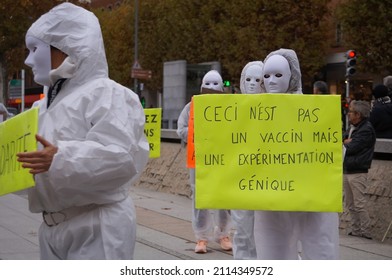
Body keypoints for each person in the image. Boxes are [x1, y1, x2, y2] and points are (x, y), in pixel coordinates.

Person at [16, 3, 149, 260]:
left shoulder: (108, 95)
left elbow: (119, 157)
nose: (28, 60)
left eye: (35, 49)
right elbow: (30, 170)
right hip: (52, 227)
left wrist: (59, 158)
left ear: (68, 48)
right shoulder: (40, 107)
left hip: (96, 225)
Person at [253, 48, 339, 260]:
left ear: (292, 75)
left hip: (311, 196)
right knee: (272, 251)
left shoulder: (314, 113)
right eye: (266, 75)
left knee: (319, 247)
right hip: (270, 197)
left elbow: (333, 150)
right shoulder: (253, 116)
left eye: (278, 75)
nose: (272, 81)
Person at [177, 70, 232, 254]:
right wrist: (198, 135)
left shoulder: (228, 108)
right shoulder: (190, 107)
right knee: (200, 198)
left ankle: (223, 234)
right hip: (199, 160)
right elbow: (181, 128)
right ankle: (201, 237)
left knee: (224, 197)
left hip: (221, 160)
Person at [230, 61, 263, 260]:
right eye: (248, 79)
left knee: (265, 231)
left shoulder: (278, 110)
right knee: (242, 229)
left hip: (267, 181)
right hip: (240, 179)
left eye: (257, 80)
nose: (251, 84)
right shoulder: (231, 110)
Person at [343, 100, 376, 239]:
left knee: (359, 203)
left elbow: (352, 147)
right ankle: (356, 229)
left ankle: (366, 231)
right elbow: (342, 140)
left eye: (351, 112)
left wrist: (346, 143)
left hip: (358, 170)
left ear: (358, 114)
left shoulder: (366, 129)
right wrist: (345, 141)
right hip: (348, 169)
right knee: (350, 203)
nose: (348, 114)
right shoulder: (352, 127)